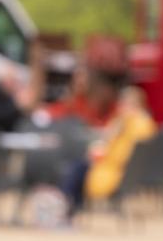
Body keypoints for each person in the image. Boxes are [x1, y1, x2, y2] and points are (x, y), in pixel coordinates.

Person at [61, 84, 156, 218]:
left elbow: (121, 152)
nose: (121, 107)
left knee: (76, 169)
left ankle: (70, 209)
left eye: (125, 104)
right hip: (121, 170)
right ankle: (72, 208)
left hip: (114, 171)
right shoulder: (140, 122)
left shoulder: (132, 123)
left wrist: (110, 137)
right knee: (78, 167)